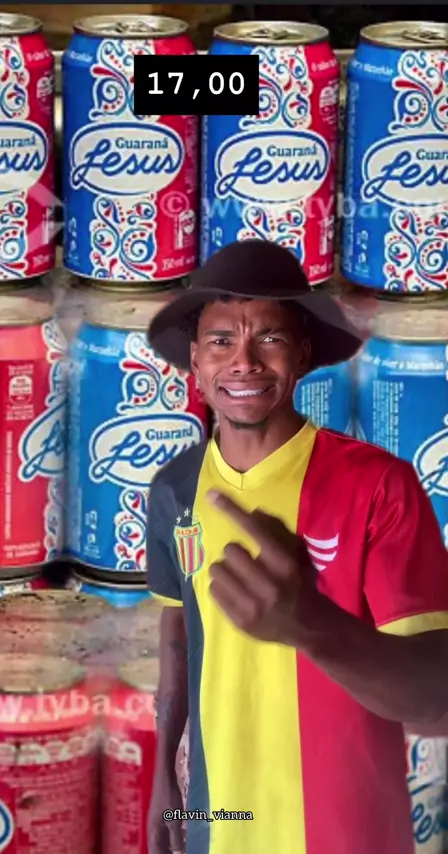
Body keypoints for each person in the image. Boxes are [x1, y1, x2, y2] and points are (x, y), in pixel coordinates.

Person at [145, 240, 448, 854]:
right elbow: (179, 640)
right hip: (219, 819)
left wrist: (311, 625)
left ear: (303, 355)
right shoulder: (174, 488)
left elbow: (432, 697)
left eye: (270, 338)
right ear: (195, 361)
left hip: (348, 830)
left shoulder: (376, 485)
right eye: (221, 340)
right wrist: (162, 782)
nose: (244, 362)